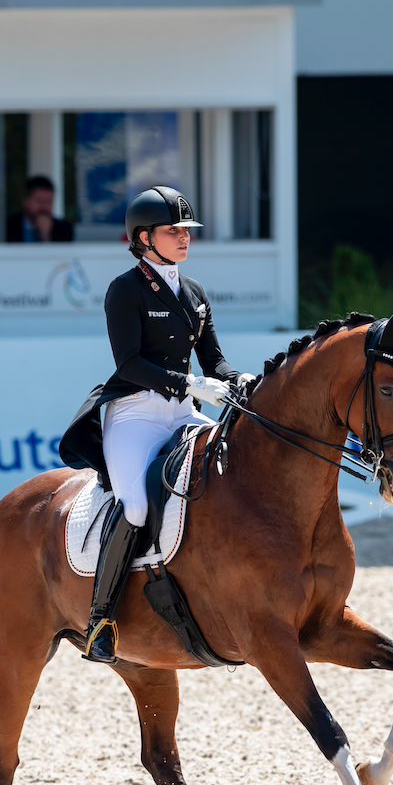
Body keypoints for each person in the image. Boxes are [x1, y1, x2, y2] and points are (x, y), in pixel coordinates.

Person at [57, 186, 250, 664]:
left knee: (234, 472)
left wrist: (238, 379)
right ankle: (100, 620)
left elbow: (215, 360)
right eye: (174, 231)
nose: (185, 238)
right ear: (144, 237)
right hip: (137, 414)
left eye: (187, 231)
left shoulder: (194, 292)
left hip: (182, 411)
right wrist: (193, 383)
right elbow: (128, 364)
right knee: (137, 505)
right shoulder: (126, 289)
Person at [6, 175, 75, 243]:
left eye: (48, 201)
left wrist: (46, 237)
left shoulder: (64, 229)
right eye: (40, 201)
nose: (44, 207)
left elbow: (62, 253)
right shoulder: (7, 227)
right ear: (26, 201)